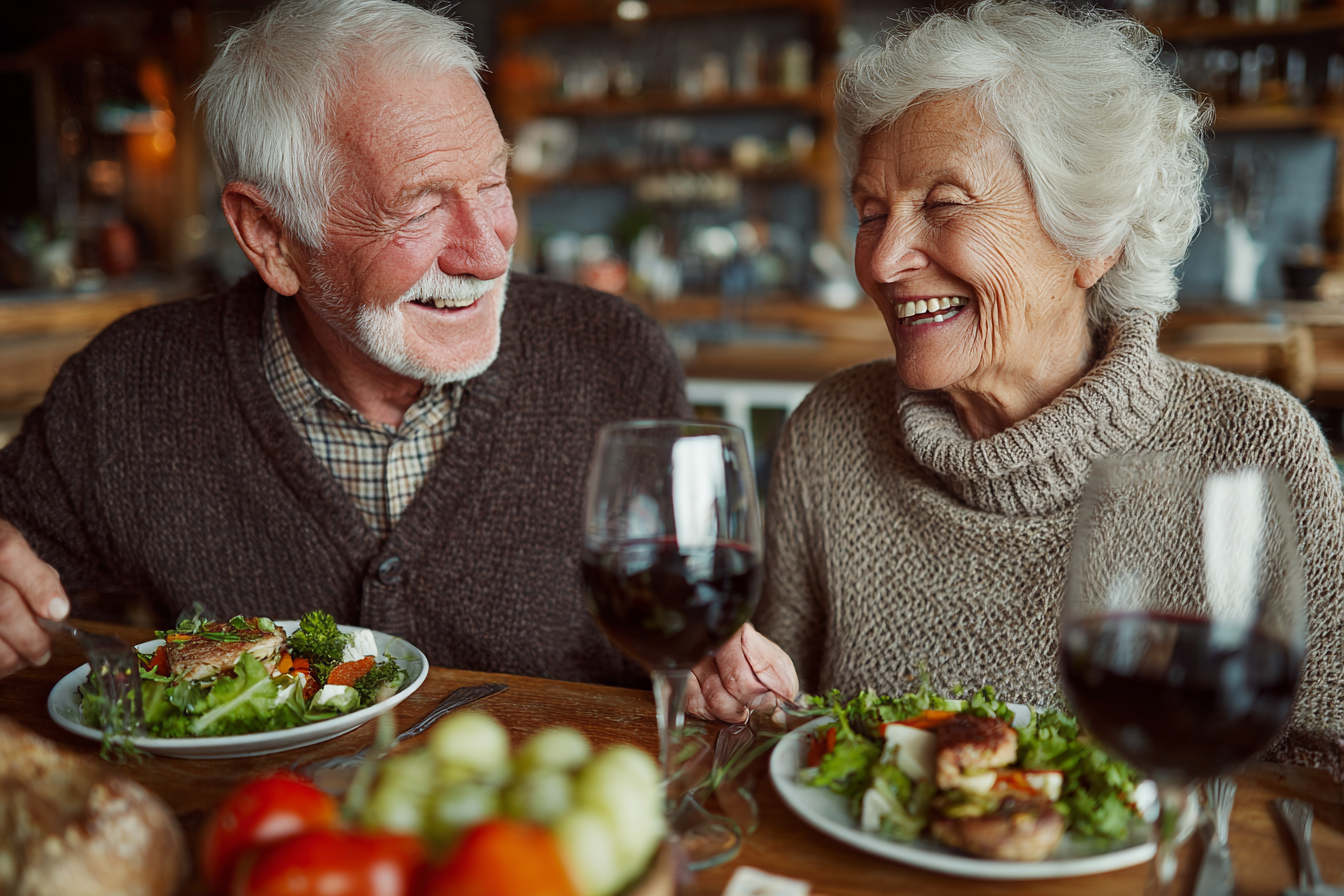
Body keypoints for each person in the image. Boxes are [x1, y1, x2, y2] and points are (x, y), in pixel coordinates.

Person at [0, 0, 795, 719]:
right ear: (270, 236)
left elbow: (676, 628)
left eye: (494, 182)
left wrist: (705, 672)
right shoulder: (128, 387)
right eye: (419, 204)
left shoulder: (614, 357)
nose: (489, 253)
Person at [756, 0, 1344, 769]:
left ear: (1092, 239)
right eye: (871, 212)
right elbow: (781, 733)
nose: (883, 259)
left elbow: (1327, 763)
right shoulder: (831, 432)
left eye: (943, 204)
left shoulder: (1253, 446)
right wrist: (741, 700)